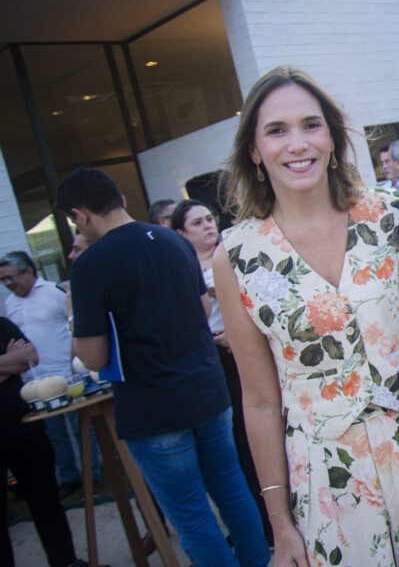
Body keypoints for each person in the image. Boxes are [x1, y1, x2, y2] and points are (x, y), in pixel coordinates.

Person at [214, 66, 399, 567]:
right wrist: (279, 526)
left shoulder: (392, 217)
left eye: (311, 125)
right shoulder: (235, 258)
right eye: (276, 130)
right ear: (254, 151)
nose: (297, 143)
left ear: (333, 139)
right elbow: (259, 402)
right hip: (329, 487)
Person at [55, 168, 269, 567]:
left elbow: (94, 358)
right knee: (233, 491)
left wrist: (74, 318)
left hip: (153, 405)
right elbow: (204, 308)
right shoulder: (174, 241)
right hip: (207, 389)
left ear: (80, 215)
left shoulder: (90, 265)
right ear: (120, 199)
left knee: (191, 515)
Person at [171, 198, 272, 545]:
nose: (208, 226)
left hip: (244, 348)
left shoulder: (233, 251)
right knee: (238, 440)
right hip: (213, 354)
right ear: (181, 232)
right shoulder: (182, 265)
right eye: (197, 223)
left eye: (209, 219)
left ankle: (273, 516)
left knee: (258, 429)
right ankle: (258, 523)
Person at [0, 251, 100, 499]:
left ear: (29, 271)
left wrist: (76, 365)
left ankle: (92, 476)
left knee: (81, 428)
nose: (8, 284)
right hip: (35, 382)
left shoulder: (56, 293)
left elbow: (74, 328)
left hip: (66, 375)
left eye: (11, 277)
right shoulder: (10, 304)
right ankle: (69, 478)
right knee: (54, 433)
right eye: (3, 280)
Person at [0, 317, 90, 567]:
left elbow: (29, 356)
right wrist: (9, 363)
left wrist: (16, 362)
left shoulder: (2, 325)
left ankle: (66, 562)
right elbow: (18, 362)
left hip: (25, 430)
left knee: (47, 504)